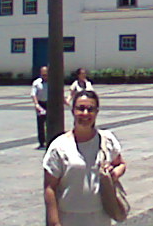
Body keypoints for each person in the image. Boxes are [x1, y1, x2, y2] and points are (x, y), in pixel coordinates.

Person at [43, 89, 127, 226]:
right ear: (73, 111)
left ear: (97, 112)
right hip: (69, 218)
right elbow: (49, 187)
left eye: (90, 109)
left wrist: (115, 173)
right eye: (80, 109)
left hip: (101, 217)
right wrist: (54, 222)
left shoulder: (106, 140)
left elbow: (121, 164)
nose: (85, 114)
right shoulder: (59, 146)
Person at [31, 66, 49, 149]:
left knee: (50, 123)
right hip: (41, 104)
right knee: (41, 124)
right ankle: (41, 142)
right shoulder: (36, 83)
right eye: (43, 74)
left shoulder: (52, 82)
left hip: (50, 104)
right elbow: (33, 94)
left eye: (46, 74)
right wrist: (36, 104)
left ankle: (50, 140)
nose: (45, 76)